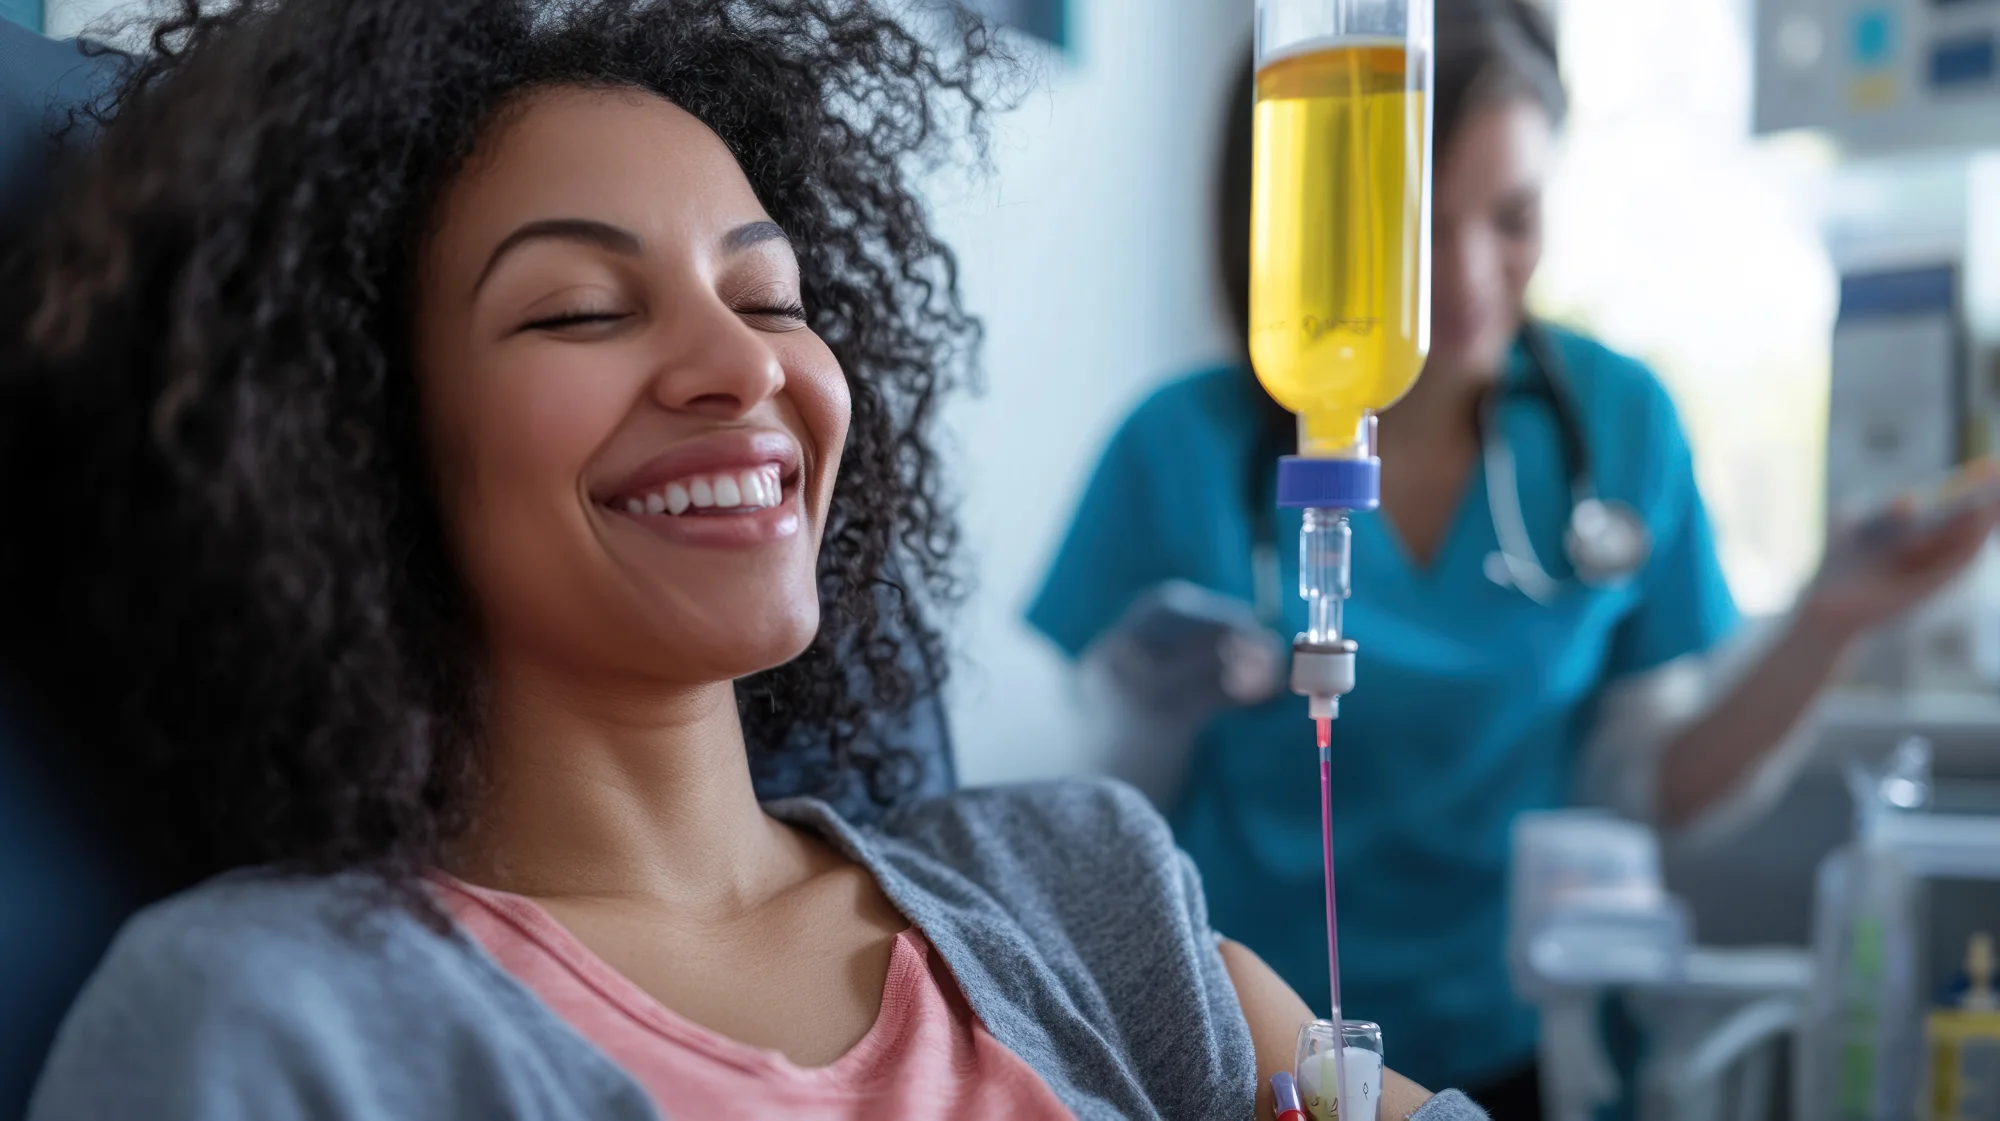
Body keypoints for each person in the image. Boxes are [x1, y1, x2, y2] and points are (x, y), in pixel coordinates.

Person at [1, 1, 1485, 1119]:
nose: (744, 364)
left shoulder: (1090, 899)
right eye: (581, 310)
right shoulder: (276, 1021)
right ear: (356, 434)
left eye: (769, 296)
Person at [1027, 0, 2000, 1114]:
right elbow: (1094, 821)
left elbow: (1650, 787)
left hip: (1513, 1043)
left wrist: (1829, 621)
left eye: (1512, 218)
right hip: (1239, 1051)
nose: (1466, 275)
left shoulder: (1618, 426)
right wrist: (1143, 709)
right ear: (1309, 213)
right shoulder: (1176, 446)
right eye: (1416, 227)